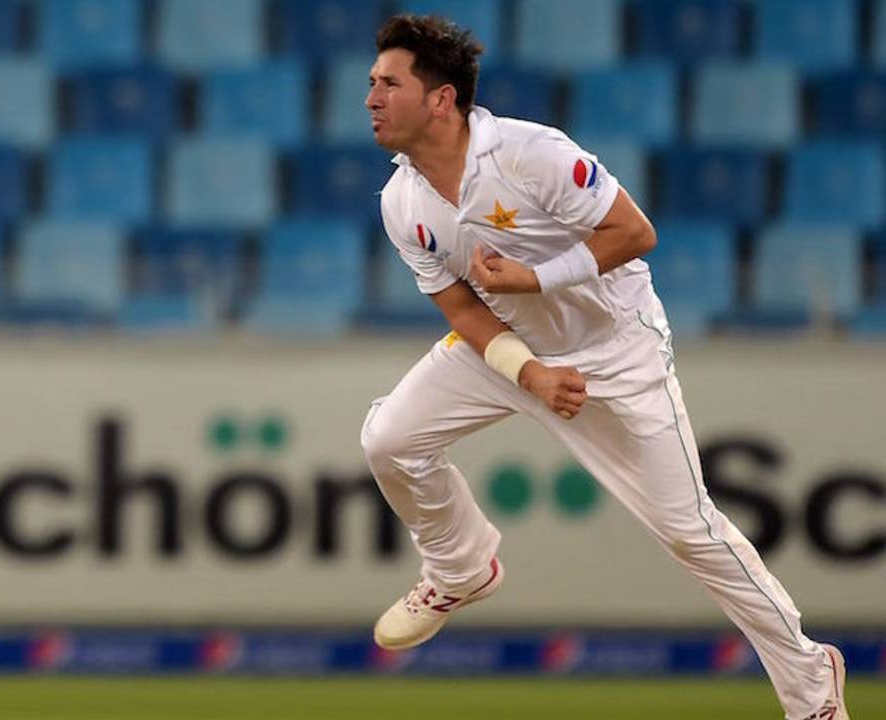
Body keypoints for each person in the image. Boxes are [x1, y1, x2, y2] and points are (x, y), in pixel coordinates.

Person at [359, 14, 848, 720]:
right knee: (390, 439)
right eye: (371, 83)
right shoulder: (402, 201)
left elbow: (635, 232)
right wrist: (529, 373)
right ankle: (460, 566)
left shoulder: (532, 154)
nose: (370, 97)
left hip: (617, 355)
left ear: (441, 100)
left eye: (388, 83)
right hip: (510, 350)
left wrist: (536, 280)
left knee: (691, 533)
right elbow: (464, 311)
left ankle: (811, 683)